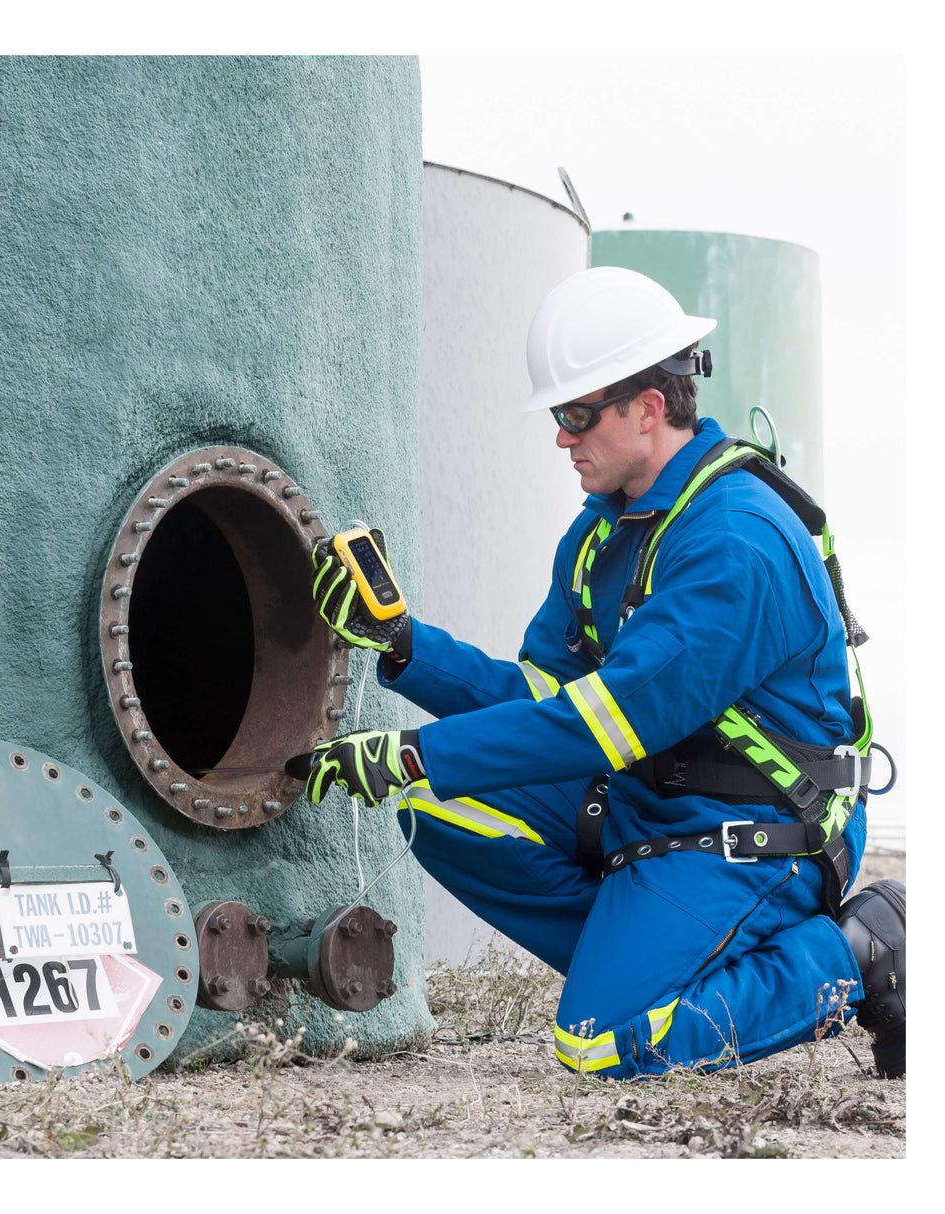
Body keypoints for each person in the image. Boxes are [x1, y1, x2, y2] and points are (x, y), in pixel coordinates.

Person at [304, 266, 905, 1080]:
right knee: (433, 809)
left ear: (650, 409)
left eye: (577, 414)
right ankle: (650, 948)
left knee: (601, 1040)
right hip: (647, 800)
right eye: (561, 414)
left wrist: (415, 749)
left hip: (758, 832)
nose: (561, 437)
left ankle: (858, 951)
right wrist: (405, 645)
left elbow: (606, 722)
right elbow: (544, 703)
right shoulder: (600, 537)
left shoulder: (737, 542)